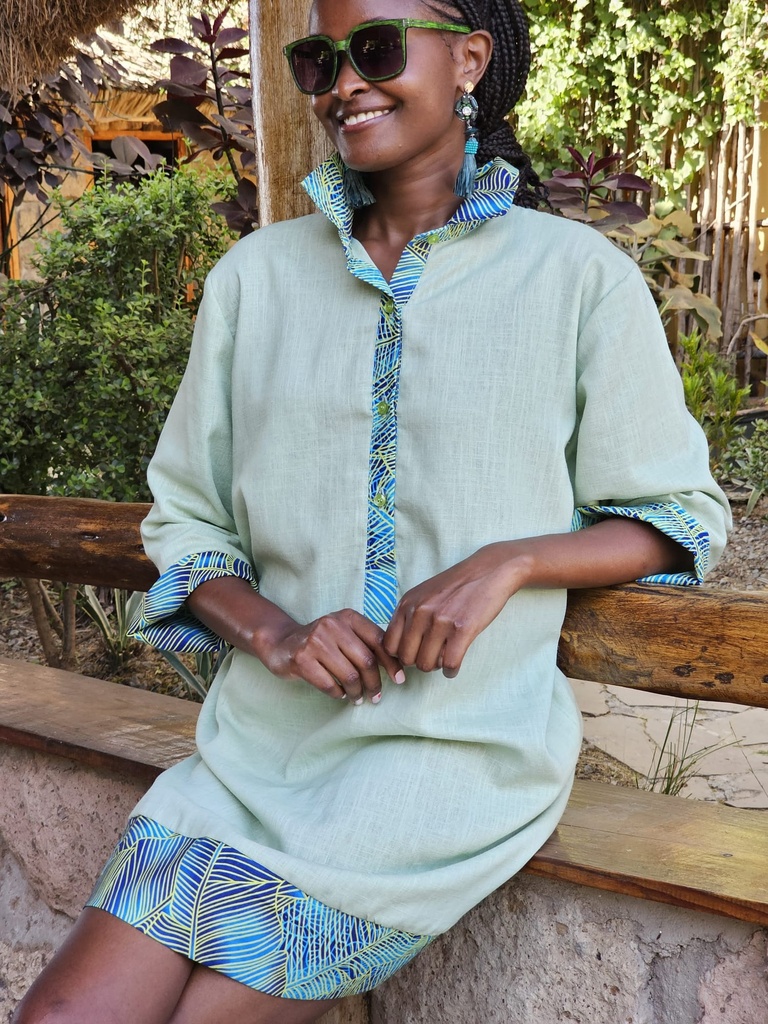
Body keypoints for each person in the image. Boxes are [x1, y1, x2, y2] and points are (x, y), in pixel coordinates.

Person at [14, 1, 730, 1022]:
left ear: (470, 59)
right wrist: (276, 628)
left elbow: (680, 514)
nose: (346, 80)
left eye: (379, 49)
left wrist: (511, 561)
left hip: (449, 763)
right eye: (321, 58)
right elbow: (185, 520)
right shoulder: (254, 281)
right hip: (255, 754)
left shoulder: (580, 282)